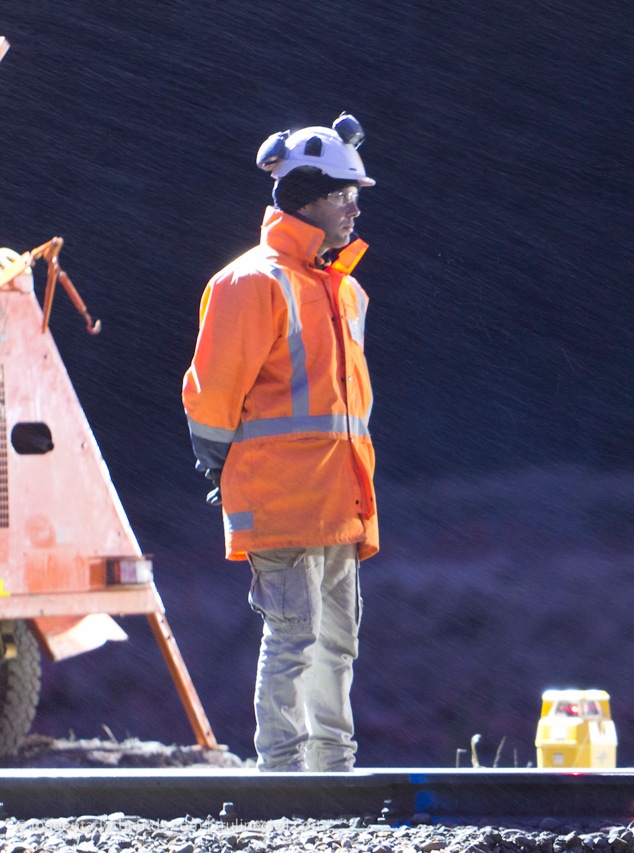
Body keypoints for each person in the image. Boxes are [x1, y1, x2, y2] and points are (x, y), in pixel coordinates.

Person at [181, 114, 379, 772]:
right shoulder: (251, 282)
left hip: (338, 503)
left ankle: (332, 774)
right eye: (344, 194)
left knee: (336, 646)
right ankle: (285, 779)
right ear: (307, 197)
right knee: (295, 641)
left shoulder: (344, 291)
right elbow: (211, 395)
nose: (354, 208)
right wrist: (221, 467)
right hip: (282, 501)